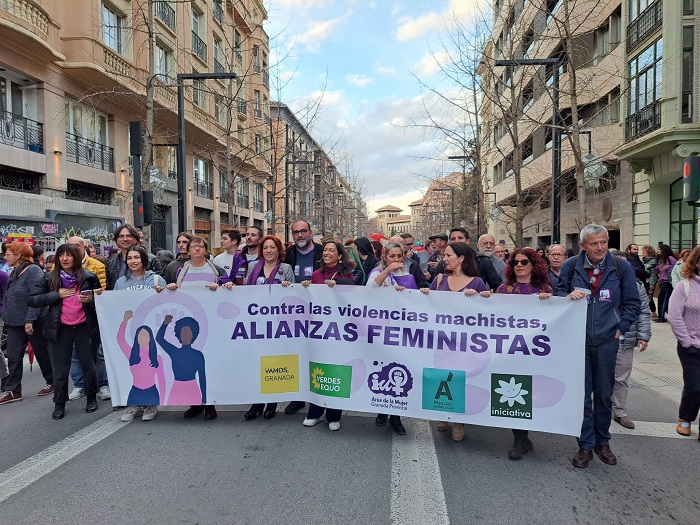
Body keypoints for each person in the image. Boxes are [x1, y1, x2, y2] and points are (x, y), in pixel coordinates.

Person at [555, 224, 641, 468]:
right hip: (578, 342)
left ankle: (603, 442)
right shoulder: (571, 266)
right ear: (583, 245)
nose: (600, 247)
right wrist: (567, 298)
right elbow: (558, 297)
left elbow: (633, 303)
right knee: (582, 396)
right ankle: (585, 444)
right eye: (594, 243)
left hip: (606, 342)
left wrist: (620, 328)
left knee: (603, 395)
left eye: (603, 242)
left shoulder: (621, 267)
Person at [480, 247, 553, 458]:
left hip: (533, 351)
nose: (519, 265)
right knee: (512, 390)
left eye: (524, 262)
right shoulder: (504, 289)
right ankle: (520, 438)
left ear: (534, 265)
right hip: (510, 350)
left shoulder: (544, 289)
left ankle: (523, 437)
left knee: (528, 391)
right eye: (515, 262)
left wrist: (550, 301)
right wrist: (486, 298)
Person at [28, 244, 102, 420]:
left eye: (69, 255)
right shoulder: (49, 278)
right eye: (61, 255)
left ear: (76, 257)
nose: (65, 258)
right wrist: (56, 295)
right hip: (59, 329)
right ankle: (59, 403)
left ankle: (91, 398)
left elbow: (101, 301)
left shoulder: (89, 276)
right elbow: (31, 299)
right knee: (60, 370)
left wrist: (91, 299)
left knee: (89, 366)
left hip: (85, 327)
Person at [367, 241, 429, 436]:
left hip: (403, 330)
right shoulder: (377, 272)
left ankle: (396, 416)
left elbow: (418, 296)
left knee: (399, 369)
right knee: (382, 369)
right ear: (384, 257)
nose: (396, 259)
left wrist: (421, 292)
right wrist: (388, 272)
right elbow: (369, 289)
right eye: (392, 256)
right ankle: (381, 410)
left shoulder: (409, 272)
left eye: (399, 256)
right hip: (382, 329)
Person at [430, 241, 489, 442]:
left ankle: (459, 422)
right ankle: (443, 413)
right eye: (444, 255)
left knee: (461, 379)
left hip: (465, 343)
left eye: (448, 255)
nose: (444, 259)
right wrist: (423, 294)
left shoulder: (477, 282)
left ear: (461, 258)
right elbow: (427, 306)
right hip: (442, 341)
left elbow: (486, 313)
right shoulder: (440, 279)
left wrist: (481, 297)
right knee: (442, 376)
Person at [164, 237, 227, 420]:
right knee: (191, 364)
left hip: (212, 324)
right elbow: (172, 293)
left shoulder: (217, 271)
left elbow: (229, 290)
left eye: (201, 246)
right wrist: (170, 287)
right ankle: (196, 403)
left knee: (209, 366)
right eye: (193, 246)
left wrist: (221, 286)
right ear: (188, 250)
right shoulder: (181, 271)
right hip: (190, 327)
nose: (197, 249)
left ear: (206, 250)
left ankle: (210, 404)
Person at [301, 241, 356, 431]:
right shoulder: (316, 274)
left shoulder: (345, 275)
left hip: (338, 331)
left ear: (339, 256)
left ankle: (333, 415)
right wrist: (306, 287)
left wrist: (338, 285)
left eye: (331, 250)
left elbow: (353, 293)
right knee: (318, 368)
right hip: (318, 331)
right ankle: (315, 412)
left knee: (336, 370)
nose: (327, 253)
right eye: (325, 250)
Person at [244, 236, 294, 421]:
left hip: (277, 325)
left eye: (272, 247)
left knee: (273, 363)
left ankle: (272, 402)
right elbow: (245, 292)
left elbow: (294, 295)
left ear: (278, 250)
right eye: (265, 248)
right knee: (256, 363)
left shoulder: (285, 269)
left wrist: (288, 287)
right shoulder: (252, 267)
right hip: (256, 322)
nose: (269, 251)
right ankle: (257, 403)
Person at [0, 242, 54, 404]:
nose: (5, 257)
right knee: (14, 357)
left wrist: (30, 319)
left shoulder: (33, 271)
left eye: (8, 254)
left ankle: (53, 381)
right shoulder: (14, 272)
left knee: (42, 353)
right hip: (14, 322)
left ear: (18, 255)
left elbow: (36, 297)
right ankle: (13, 390)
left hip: (33, 321)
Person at [283, 220, 324, 416]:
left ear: (310, 232)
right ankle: (298, 397)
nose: (300, 235)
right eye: (296, 232)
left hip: (318, 310)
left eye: (303, 231)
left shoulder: (322, 251)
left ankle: (319, 396)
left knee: (317, 353)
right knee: (296, 353)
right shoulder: (288, 253)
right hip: (294, 311)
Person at [609, 251, 651, 430]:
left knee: (621, 377)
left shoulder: (637, 285)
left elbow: (643, 311)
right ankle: (596, 409)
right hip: (602, 339)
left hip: (625, 340)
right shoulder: (602, 283)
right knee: (597, 376)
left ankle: (620, 412)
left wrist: (643, 335)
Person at [65, 236, 109, 402]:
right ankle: (80, 384)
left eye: (77, 245)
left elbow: (102, 290)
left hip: (91, 316)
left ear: (85, 247)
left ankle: (103, 384)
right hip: (68, 318)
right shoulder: (59, 266)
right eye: (69, 246)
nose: (73, 249)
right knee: (73, 353)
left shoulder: (97, 266)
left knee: (97, 352)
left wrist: (92, 296)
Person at [668, 246, 700, 438]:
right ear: (696, 262)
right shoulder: (684, 286)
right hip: (691, 347)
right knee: (694, 386)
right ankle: (685, 419)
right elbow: (674, 315)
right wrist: (686, 341)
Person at [118, 311, 166, 422]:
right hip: (135, 390)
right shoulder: (131, 353)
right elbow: (120, 340)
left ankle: (151, 406)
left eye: (145, 335)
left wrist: (164, 399)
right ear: (136, 337)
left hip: (151, 391)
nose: (142, 337)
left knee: (149, 411)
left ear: (150, 338)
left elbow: (162, 379)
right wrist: (125, 321)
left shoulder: (157, 357)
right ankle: (135, 406)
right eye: (140, 335)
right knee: (130, 409)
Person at [654, 244, 677, 322]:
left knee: (663, 298)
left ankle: (661, 316)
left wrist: (668, 267)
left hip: (667, 282)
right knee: (661, 298)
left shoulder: (670, 258)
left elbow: (676, 265)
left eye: (660, 249)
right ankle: (661, 315)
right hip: (662, 281)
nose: (658, 251)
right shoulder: (660, 259)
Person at [643, 245, 658, 318]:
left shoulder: (653, 261)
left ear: (648, 252)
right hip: (646, 282)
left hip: (650, 282)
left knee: (649, 297)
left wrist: (652, 284)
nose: (642, 253)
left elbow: (653, 274)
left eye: (644, 252)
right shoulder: (645, 261)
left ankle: (653, 311)